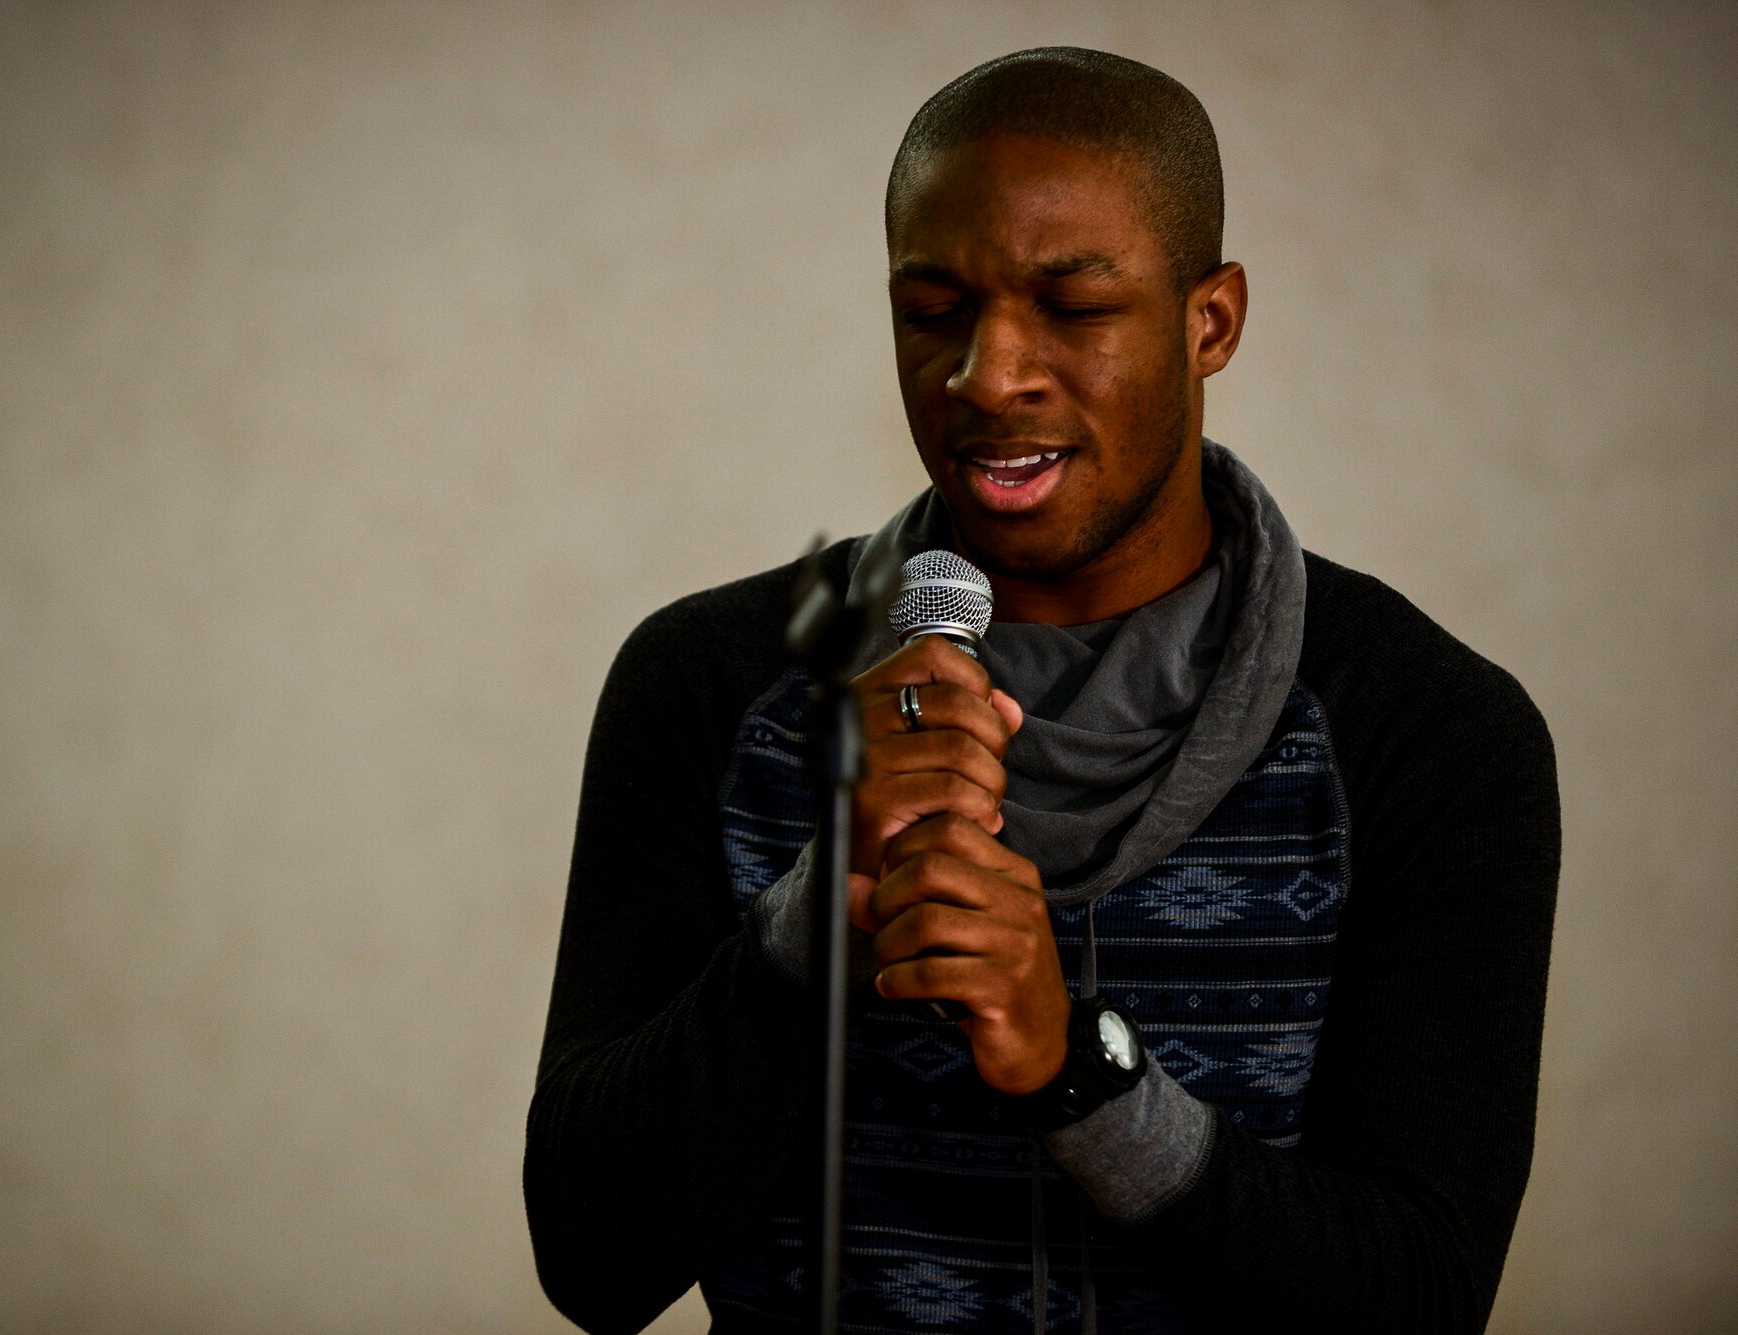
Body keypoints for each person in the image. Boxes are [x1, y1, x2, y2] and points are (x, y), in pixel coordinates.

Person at [524, 47, 1559, 1335]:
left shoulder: (1427, 729)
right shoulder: (716, 686)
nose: (986, 374)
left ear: (1212, 321)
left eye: (1073, 308)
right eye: (935, 308)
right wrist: (813, 927)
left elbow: (1421, 1302)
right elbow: (590, 1260)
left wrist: (1084, 1077)